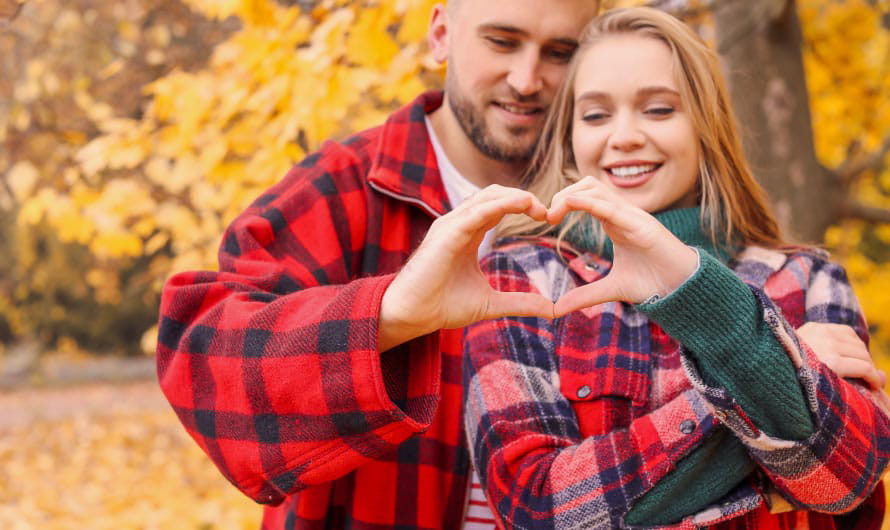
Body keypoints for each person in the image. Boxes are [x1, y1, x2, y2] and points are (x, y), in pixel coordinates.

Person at [155, 1, 882, 528]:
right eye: (502, 40)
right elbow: (202, 360)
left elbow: (854, 482)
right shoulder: (355, 187)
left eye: (560, 52)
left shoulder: (619, 199)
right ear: (441, 30)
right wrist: (391, 316)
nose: (529, 79)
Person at [462, 7, 890, 529]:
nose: (624, 136)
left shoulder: (808, 279)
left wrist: (709, 306)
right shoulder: (522, 279)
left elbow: (844, 480)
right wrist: (781, 374)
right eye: (596, 115)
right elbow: (539, 508)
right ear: (569, 138)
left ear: (706, 124)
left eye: (658, 110)